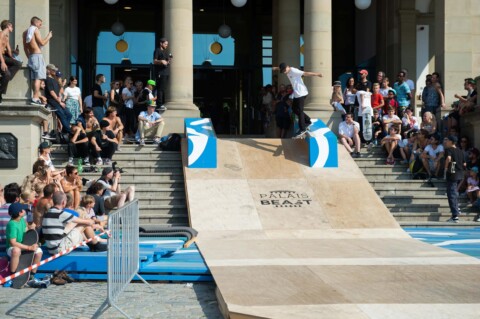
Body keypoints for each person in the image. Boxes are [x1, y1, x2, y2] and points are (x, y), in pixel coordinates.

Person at [42, 191, 106, 254]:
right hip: (60, 249)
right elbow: (88, 222)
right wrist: (93, 222)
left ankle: (92, 244)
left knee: (75, 223)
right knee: (84, 224)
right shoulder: (61, 214)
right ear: (64, 202)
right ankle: (95, 245)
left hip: (51, 248)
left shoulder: (48, 213)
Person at [274, 62, 322, 137]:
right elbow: (281, 67)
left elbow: (305, 73)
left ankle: (302, 128)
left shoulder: (294, 71)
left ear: (287, 67)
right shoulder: (287, 71)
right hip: (297, 94)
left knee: (300, 110)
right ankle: (308, 120)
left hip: (301, 93)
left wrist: (317, 74)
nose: (284, 72)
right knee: (294, 109)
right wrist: (276, 68)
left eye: (284, 70)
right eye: (283, 71)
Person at [6, 202, 43, 277]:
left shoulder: (22, 220)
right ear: (20, 213)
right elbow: (13, 243)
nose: (25, 211)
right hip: (12, 248)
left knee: (39, 252)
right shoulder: (12, 224)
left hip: (23, 245)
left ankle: (32, 274)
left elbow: (26, 229)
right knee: (16, 250)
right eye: (23, 209)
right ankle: (12, 275)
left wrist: (31, 227)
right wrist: (29, 248)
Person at [22, 16, 52, 106]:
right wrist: (49, 36)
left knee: (34, 78)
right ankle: (35, 98)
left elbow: (25, 47)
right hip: (37, 56)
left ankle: (35, 97)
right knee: (38, 78)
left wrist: (29, 57)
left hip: (31, 56)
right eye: (40, 24)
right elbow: (42, 43)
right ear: (35, 22)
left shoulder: (25, 32)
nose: (40, 26)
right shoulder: (35, 30)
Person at [44, 64, 72, 134]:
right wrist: (59, 102)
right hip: (53, 101)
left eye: (55, 70)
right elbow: (51, 92)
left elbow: (58, 92)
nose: (55, 71)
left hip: (58, 101)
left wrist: (60, 99)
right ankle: (69, 131)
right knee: (62, 115)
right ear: (49, 70)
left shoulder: (54, 80)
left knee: (69, 114)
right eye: (53, 70)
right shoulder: (48, 80)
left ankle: (65, 131)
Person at [444, 135, 465, 223]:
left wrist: (445, 169)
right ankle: (457, 208)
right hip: (460, 174)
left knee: (451, 194)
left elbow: (448, 158)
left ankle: (455, 215)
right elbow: (464, 164)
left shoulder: (449, 150)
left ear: (451, 141)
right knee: (454, 192)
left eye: (447, 140)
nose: (445, 141)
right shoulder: (460, 151)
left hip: (452, 174)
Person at [0, 20, 22, 104]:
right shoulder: (1, 34)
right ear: (8, 26)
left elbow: (8, 50)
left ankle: (3, 79)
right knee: (7, 74)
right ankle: (0, 93)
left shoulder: (6, 36)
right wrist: (2, 62)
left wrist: (14, 54)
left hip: (4, 56)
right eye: (11, 26)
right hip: (0, 58)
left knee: (18, 63)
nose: (12, 28)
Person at [153, 37, 171, 111]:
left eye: (167, 44)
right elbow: (154, 61)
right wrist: (161, 61)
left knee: (163, 89)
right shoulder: (157, 50)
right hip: (160, 73)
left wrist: (168, 61)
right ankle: (159, 104)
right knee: (160, 88)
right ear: (161, 43)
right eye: (165, 44)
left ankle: (162, 104)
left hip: (165, 72)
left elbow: (166, 62)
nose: (166, 45)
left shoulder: (165, 52)